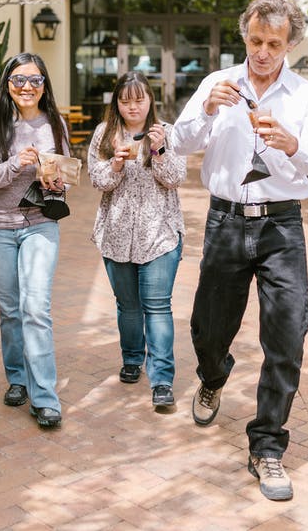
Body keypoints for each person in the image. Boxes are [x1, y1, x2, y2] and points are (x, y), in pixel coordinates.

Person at [172, 0, 308, 500]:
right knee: (208, 326)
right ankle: (213, 375)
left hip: (282, 228)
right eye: (256, 40)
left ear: (290, 45)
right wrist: (204, 110)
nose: (262, 51)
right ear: (245, 35)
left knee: (287, 335)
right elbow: (178, 143)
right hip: (224, 221)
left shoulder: (306, 98)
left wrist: (294, 145)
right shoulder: (216, 84)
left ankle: (267, 446)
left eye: (274, 43)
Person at [0, 52, 69, 429]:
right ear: (8, 84)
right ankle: (18, 379)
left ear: (45, 85)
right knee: (11, 310)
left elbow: (67, 176)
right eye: (19, 80)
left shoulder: (54, 122)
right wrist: (15, 165)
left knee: (36, 307)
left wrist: (56, 181)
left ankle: (45, 397)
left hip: (40, 224)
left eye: (35, 80)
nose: (27, 87)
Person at [88, 72, 186, 407]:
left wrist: (157, 150)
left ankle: (161, 380)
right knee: (128, 306)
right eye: (126, 100)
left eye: (139, 99)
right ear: (117, 102)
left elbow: (174, 178)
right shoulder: (105, 134)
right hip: (116, 235)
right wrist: (115, 163)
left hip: (159, 233)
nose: (133, 107)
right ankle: (132, 358)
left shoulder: (167, 132)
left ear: (150, 100)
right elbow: (97, 180)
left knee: (157, 307)